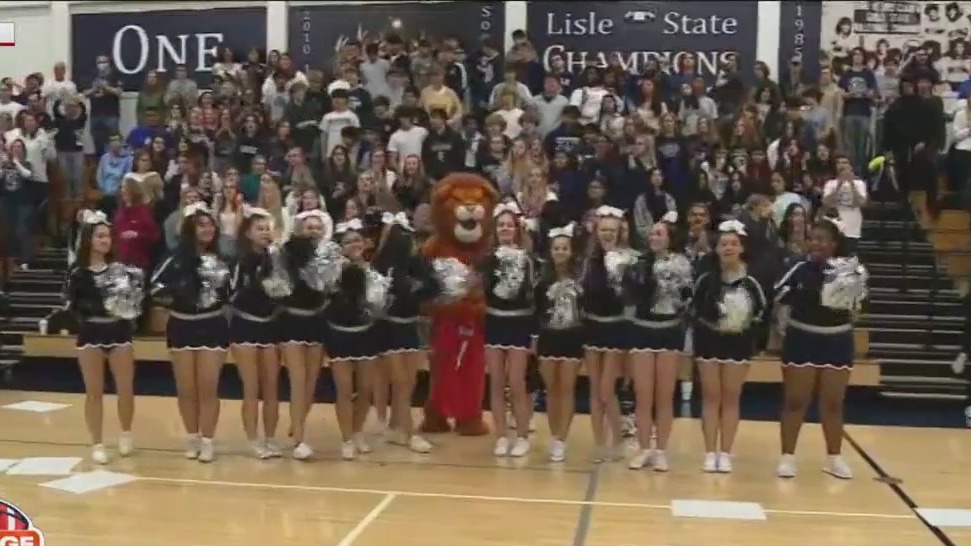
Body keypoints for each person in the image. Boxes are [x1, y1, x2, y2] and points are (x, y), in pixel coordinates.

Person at [775, 217, 868, 479]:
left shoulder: (850, 270)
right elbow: (779, 293)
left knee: (834, 403)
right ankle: (787, 456)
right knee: (795, 400)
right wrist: (801, 291)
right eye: (812, 238)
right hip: (802, 338)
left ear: (834, 243)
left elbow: (858, 303)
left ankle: (834, 458)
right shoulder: (799, 268)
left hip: (837, 340)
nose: (815, 243)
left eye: (822, 239)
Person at [150, 203, 230, 463]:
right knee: (186, 389)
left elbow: (233, 290)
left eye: (210, 225)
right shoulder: (173, 258)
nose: (207, 229)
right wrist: (177, 295)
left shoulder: (222, 259)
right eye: (201, 224)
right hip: (182, 324)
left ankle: (208, 440)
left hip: (212, 324)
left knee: (208, 387)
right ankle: (192, 437)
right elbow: (154, 288)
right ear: (189, 229)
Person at [691, 220, 767, 473]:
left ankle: (726, 452)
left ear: (742, 248)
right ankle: (709, 451)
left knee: (731, 397)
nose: (729, 248)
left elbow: (761, 313)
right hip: (709, 342)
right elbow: (694, 311)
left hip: (738, 344)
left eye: (734, 243)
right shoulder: (705, 279)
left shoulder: (752, 282)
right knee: (711, 397)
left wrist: (746, 330)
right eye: (724, 244)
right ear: (716, 249)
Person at [64, 210, 139, 464]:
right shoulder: (78, 273)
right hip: (91, 332)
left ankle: (126, 433)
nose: (105, 240)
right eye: (100, 236)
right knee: (94, 392)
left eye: (108, 236)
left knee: (125, 388)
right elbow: (72, 305)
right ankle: (97, 441)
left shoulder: (121, 270)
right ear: (88, 240)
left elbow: (133, 302)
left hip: (118, 331)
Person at [624, 213, 693, 471]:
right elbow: (629, 297)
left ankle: (661, 449)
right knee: (643, 395)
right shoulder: (639, 262)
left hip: (669, 330)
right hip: (642, 329)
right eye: (652, 233)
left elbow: (687, 296)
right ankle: (643, 448)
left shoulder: (683, 264)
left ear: (670, 238)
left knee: (664, 396)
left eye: (659, 233)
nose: (653, 237)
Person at [372, 211, 435, 454]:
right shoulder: (382, 267)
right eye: (409, 241)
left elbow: (431, 287)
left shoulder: (417, 264)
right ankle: (410, 434)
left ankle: (395, 426)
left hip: (409, 325)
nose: (415, 246)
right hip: (388, 327)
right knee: (399, 382)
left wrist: (417, 289)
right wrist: (410, 288)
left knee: (408, 383)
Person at [327, 218, 386, 460]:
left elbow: (379, 305)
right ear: (340, 246)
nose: (354, 245)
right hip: (339, 335)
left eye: (357, 240)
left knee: (366, 389)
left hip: (366, 335)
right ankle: (346, 438)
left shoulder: (373, 272)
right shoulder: (331, 272)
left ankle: (357, 430)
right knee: (344, 390)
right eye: (348, 241)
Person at [482, 202, 535, 457]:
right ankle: (501, 436)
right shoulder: (488, 258)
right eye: (501, 224)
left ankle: (522, 436)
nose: (505, 228)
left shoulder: (527, 258)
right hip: (494, 322)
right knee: (496, 382)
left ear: (517, 229)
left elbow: (532, 295)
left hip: (519, 322)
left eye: (509, 225)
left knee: (516, 383)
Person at [229, 207, 282, 459]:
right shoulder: (241, 260)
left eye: (267, 228)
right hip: (245, 325)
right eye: (259, 229)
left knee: (271, 387)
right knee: (251, 387)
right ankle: (253, 440)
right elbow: (234, 293)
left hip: (270, 325)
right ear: (248, 233)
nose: (265, 232)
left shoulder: (276, 258)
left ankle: (270, 438)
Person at [278, 209, 332, 460]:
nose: (313, 230)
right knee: (298, 381)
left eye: (317, 227)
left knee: (311, 384)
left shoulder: (330, 254)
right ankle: (299, 438)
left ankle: (297, 421)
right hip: (292, 320)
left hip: (317, 321)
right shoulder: (289, 251)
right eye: (308, 226)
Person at [580, 205, 629, 462]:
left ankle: (618, 440)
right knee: (594, 387)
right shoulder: (589, 261)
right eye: (603, 230)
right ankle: (599, 443)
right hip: (592, 326)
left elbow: (629, 296)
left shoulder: (628, 258)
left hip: (615, 327)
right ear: (596, 232)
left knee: (607, 389)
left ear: (620, 231)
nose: (607, 234)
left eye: (612, 230)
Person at [534, 222, 584, 462]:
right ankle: (554, 435)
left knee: (566, 389)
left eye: (565, 248)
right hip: (548, 338)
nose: (561, 252)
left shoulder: (579, 279)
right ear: (550, 252)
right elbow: (537, 312)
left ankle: (563, 438)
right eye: (557, 248)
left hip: (572, 338)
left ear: (571, 251)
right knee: (551, 389)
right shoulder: (542, 281)